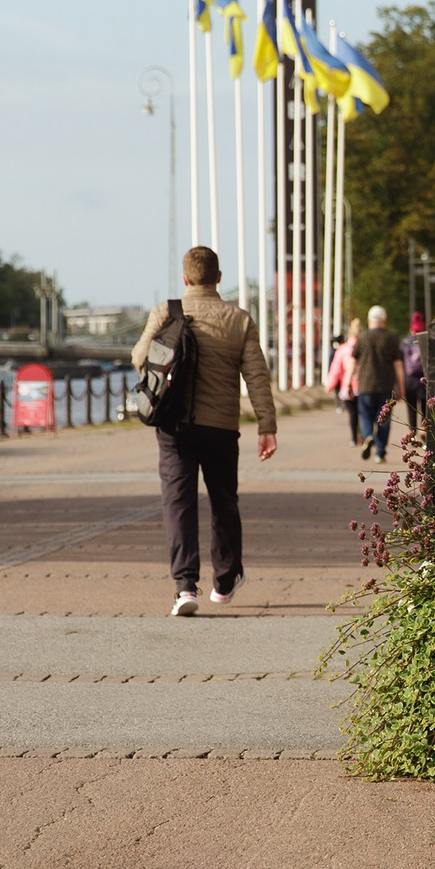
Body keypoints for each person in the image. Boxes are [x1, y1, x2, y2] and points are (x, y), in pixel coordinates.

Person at [132, 246, 278, 617]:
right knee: (224, 501)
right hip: (222, 427)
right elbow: (256, 376)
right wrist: (267, 425)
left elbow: (139, 357)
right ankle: (225, 581)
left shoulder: (166, 312)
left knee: (178, 503)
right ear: (218, 278)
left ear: (185, 279)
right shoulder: (239, 319)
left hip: (174, 426)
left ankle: (184, 587)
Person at [351, 305, 407, 461]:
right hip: (386, 386)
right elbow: (398, 365)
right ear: (384, 320)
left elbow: (352, 361)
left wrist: (348, 382)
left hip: (365, 385)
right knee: (384, 419)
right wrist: (401, 386)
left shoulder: (362, 338)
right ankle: (380, 453)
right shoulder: (391, 339)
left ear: (369, 320)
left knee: (366, 415)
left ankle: (368, 436)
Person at [324, 326, 361, 443]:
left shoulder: (342, 349)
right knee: (364, 412)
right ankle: (365, 434)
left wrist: (330, 384)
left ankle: (354, 438)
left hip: (348, 386)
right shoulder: (365, 347)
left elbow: (336, 369)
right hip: (364, 385)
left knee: (352, 413)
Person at [401, 312, 428, 438]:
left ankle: (412, 432)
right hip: (424, 379)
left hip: (409, 380)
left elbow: (400, 363)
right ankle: (424, 428)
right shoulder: (426, 340)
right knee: (425, 407)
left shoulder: (405, 343)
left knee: (411, 407)